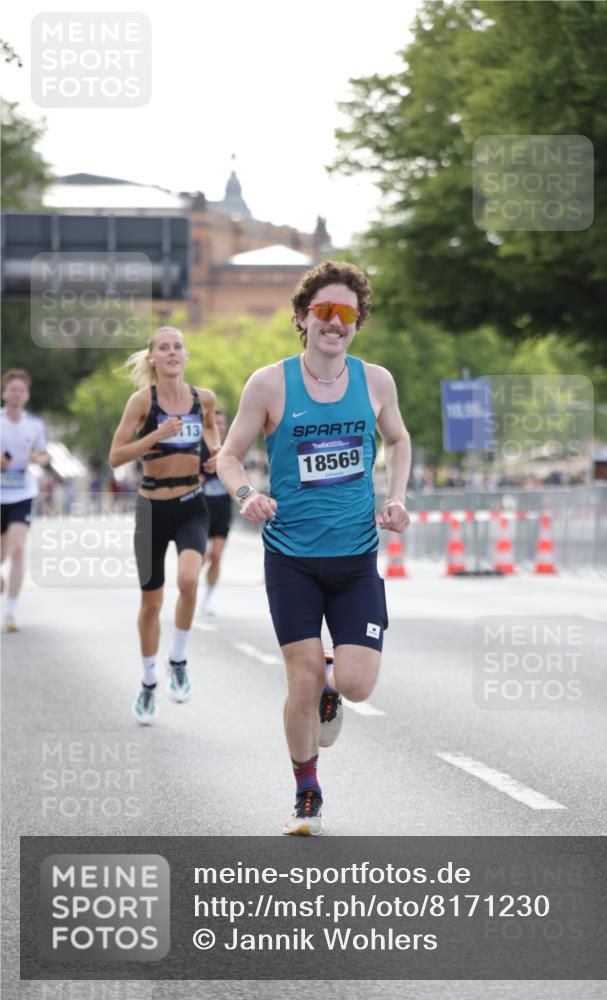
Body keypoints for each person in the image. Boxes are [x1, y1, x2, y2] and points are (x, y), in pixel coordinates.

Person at [219, 260, 411, 835]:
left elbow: (399, 439)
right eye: (323, 311)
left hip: (355, 559)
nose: (334, 322)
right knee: (299, 681)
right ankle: (307, 789)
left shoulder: (375, 381)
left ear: (357, 324)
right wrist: (247, 493)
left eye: (345, 314)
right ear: (302, 318)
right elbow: (229, 456)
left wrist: (397, 498)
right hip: (291, 558)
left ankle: (332, 680)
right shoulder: (270, 383)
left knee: (355, 684)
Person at [108, 327, 220, 724]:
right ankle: (150, 680)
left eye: (178, 346)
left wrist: (215, 453)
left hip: (192, 504)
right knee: (151, 604)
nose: (172, 352)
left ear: (185, 355)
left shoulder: (202, 398)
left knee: (190, 581)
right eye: (163, 347)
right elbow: (116, 456)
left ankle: (179, 659)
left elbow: (209, 427)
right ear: (153, 358)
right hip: (151, 509)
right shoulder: (142, 402)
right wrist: (156, 434)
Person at [0, 369, 50, 632]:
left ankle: (10, 612)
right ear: (4, 393)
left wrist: (36, 458)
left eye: (21, 389)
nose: (17, 393)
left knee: (18, 547)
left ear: (27, 395)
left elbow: (44, 455)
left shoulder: (34, 425)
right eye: (12, 389)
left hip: (22, 491)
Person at [199, 409, 233, 617]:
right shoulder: (200, 449)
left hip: (223, 510)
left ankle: (207, 599)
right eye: (216, 423)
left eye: (222, 423)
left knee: (217, 557)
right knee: (201, 557)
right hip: (201, 511)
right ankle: (189, 592)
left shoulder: (231, 447)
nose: (219, 427)